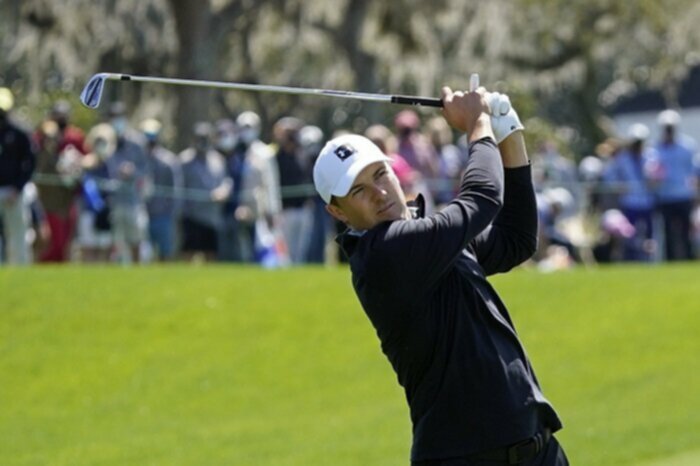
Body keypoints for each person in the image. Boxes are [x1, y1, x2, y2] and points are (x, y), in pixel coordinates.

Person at [312, 85, 567, 465]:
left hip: (537, 449)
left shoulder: (428, 239)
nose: (381, 193)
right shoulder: (384, 255)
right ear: (339, 213)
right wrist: (477, 124)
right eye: (360, 191)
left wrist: (508, 133)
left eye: (381, 174)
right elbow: (481, 198)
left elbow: (516, 241)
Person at [33, 101, 86, 262]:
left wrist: (75, 165)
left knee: (65, 241)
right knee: (51, 240)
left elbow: (87, 157)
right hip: (47, 196)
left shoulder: (75, 136)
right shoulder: (43, 133)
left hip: (68, 196)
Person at [602, 124, 656, 261]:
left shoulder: (650, 156)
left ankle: (648, 260)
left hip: (647, 201)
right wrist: (618, 187)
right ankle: (631, 259)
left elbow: (656, 176)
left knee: (649, 235)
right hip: (629, 201)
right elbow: (609, 176)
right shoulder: (622, 159)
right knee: (629, 234)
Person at [179, 122, 232, 262]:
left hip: (212, 217)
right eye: (200, 138)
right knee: (189, 253)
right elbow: (178, 187)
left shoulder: (218, 159)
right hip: (191, 216)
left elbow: (226, 181)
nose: (203, 141)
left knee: (210, 254)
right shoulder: (184, 160)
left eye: (206, 138)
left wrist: (223, 191)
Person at [105, 102, 150, 264]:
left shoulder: (137, 142)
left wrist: (132, 172)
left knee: (135, 239)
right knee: (113, 243)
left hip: (133, 200)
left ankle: (136, 272)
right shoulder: (104, 139)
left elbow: (145, 170)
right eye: (114, 117)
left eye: (120, 117)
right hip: (111, 201)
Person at [650, 109, 698, 260]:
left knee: (686, 231)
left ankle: (689, 258)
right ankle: (670, 260)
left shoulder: (688, 147)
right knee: (668, 233)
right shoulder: (655, 149)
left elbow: (695, 173)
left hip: (684, 195)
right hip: (665, 197)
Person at [0, 87, 36, 265]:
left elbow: (30, 163)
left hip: (13, 192)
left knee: (17, 234)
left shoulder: (19, 132)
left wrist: (18, 187)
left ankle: (21, 270)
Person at [140, 118, 182, 261]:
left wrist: (172, 214)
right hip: (142, 213)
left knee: (165, 253)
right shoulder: (139, 158)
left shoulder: (168, 160)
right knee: (143, 255)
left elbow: (176, 191)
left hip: (163, 216)